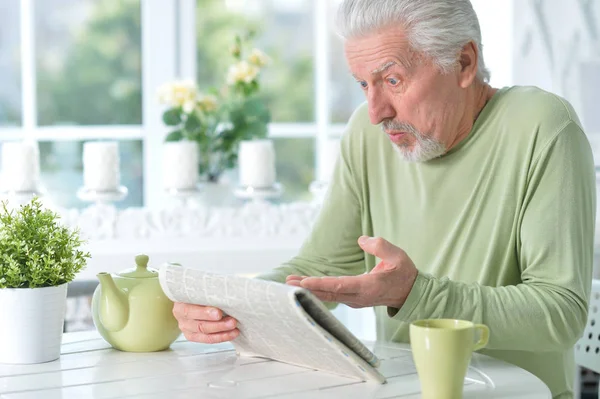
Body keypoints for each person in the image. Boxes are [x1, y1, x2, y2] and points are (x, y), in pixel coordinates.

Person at [173, 0, 596, 397]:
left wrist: (414, 293)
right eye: (363, 84)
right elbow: (320, 268)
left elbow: (560, 312)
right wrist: (230, 305)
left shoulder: (542, 126)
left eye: (392, 80)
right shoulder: (367, 133)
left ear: (463, 63)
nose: (376, 111)